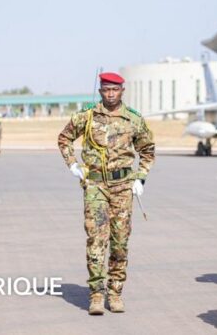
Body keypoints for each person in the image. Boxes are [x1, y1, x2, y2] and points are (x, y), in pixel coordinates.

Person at [57, 72, 155, 315]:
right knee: (96, 240)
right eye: (106, 90)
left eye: (115, 90)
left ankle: (116, 292)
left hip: (123, 187)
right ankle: (97, 293)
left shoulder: (133, 119)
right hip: (95, 187)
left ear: (122, 90)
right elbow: (64, 138)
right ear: (101, 91)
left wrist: (140, 177)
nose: (110, 94)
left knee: (120, 242)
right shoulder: (88, 116)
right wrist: (72, 164)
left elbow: (148, 150)